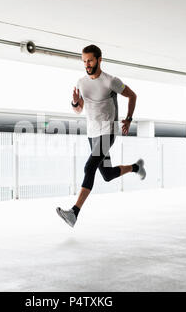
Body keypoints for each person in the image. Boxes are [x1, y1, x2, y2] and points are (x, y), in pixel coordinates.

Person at [56, 44, 146, 228]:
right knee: (107, 174)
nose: (86, 64)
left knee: (89, 167)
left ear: (99, 60)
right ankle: (136, 167)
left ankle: (74, 212)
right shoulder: (81, 82)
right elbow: (79, 110)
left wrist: (128, 119)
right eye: (84, 61)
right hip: (92, 133)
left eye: (89, 60)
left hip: (108, 131)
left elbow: (132, 96)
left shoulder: (110, 81)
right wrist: (74, 102)